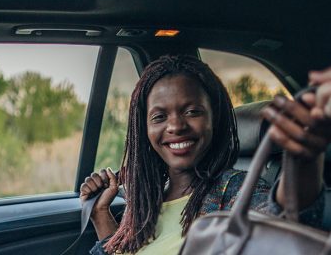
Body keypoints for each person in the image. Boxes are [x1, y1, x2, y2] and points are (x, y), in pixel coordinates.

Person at [80, 55, 330, 255]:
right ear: (143, 128)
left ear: (214, 118)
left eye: (192, 112)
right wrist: (100, 214)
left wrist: (303, 157)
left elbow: (281, 226)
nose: (175, 126)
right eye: (159, 117)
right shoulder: (146, 200)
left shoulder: (236, 190)